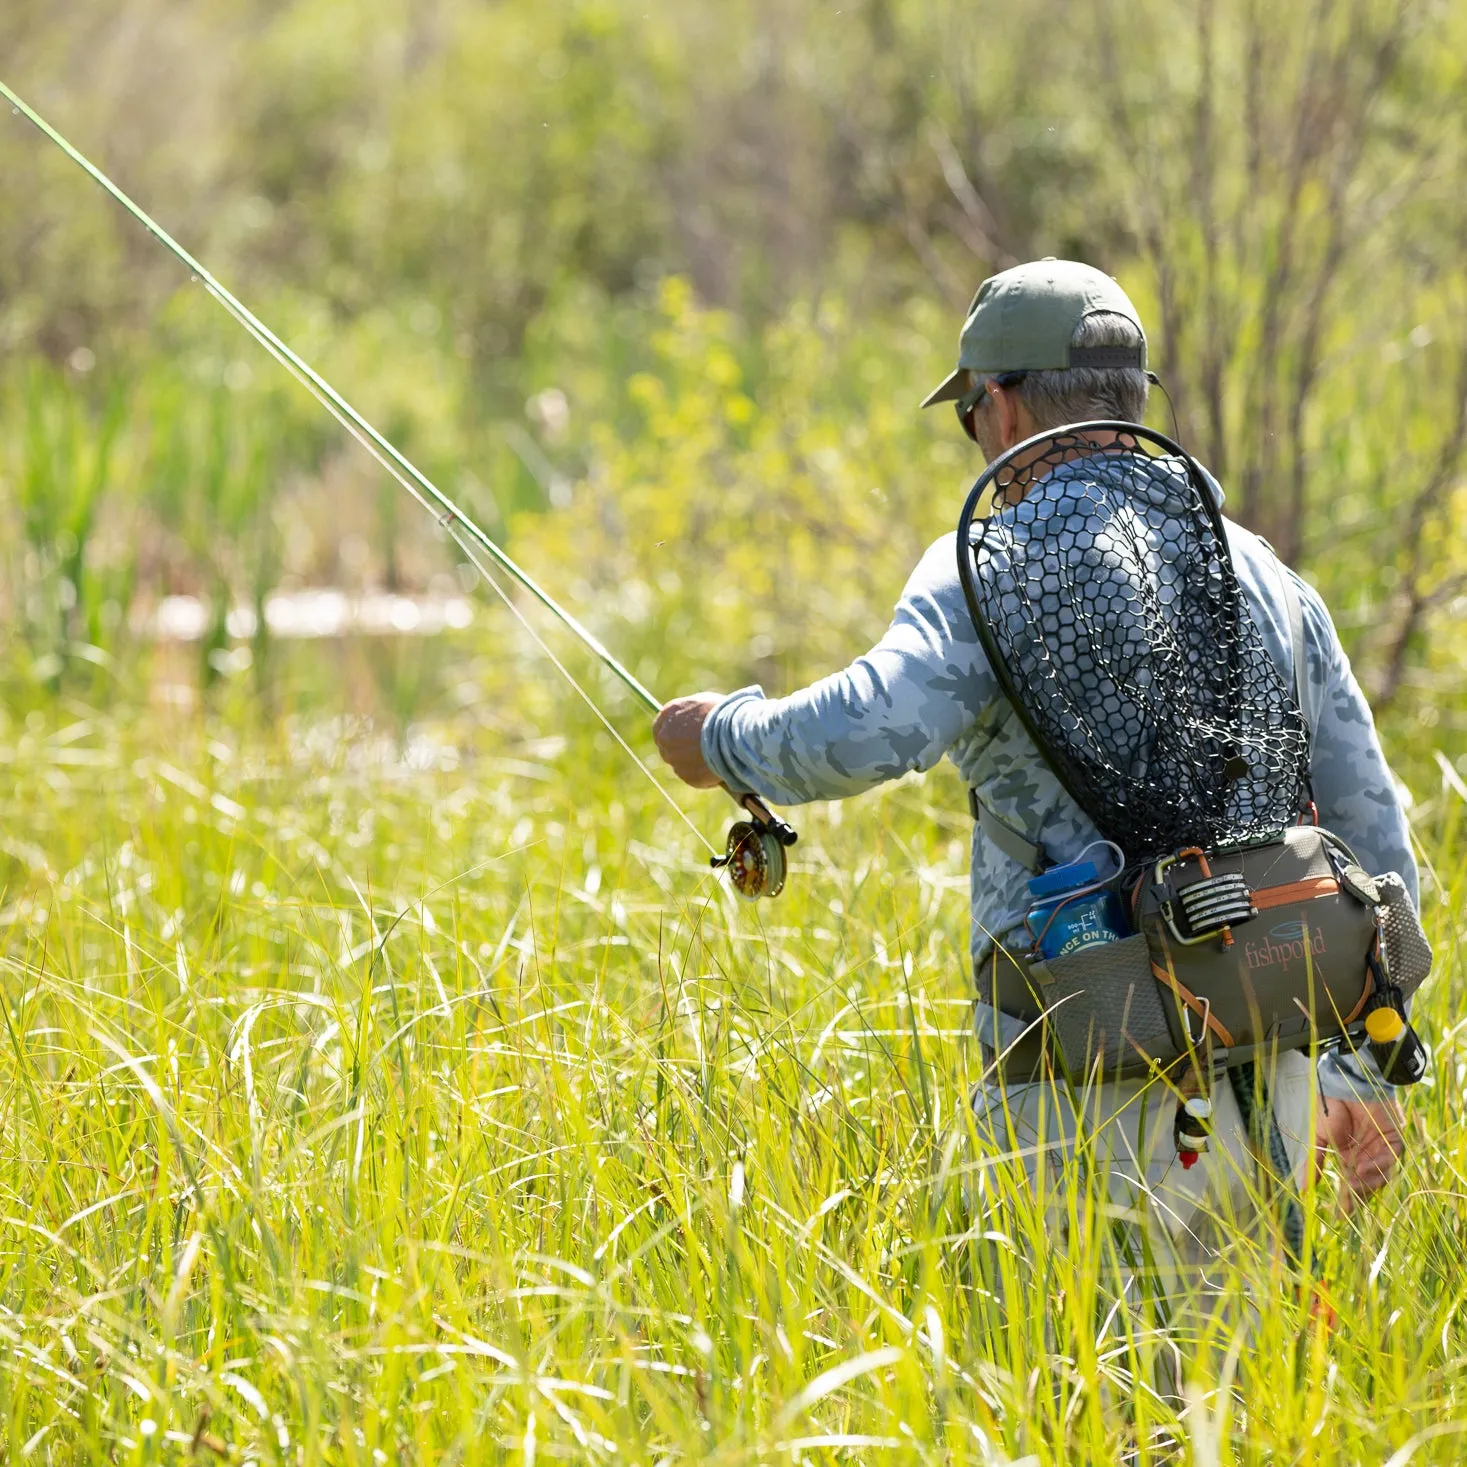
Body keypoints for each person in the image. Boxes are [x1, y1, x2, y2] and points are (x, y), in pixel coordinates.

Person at [651, 259, 1411, 1354]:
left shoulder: (984, 564)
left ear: (999, 405)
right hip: (1275, 1073)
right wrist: (1365, 1070)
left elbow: (865, 727)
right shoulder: (1266, 575)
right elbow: (1374, 837)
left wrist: (717, 735)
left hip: (1076, 1070)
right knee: (1235, 1400)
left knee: (1079, 1390)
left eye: (969, 412)